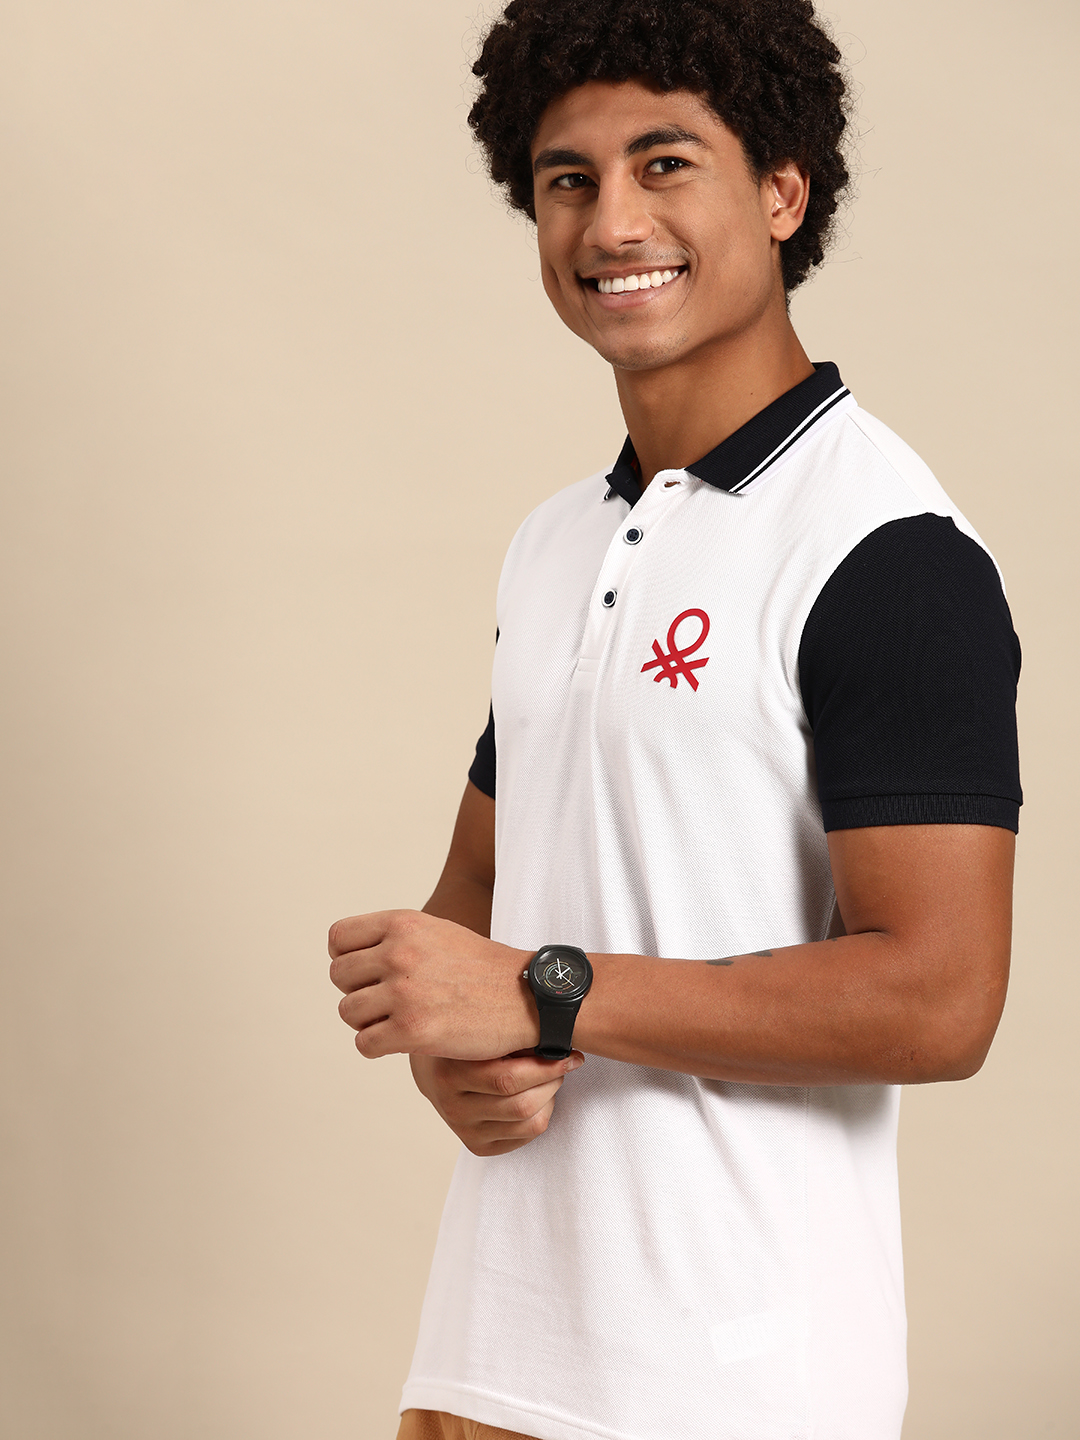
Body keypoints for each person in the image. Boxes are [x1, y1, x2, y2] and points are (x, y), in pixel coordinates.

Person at [329, 1, 1022, 1437]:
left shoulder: (886, 552)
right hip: (484, 1362)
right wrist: (455, 1045)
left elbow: (940, 999)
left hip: (731, 1383)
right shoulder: (554, 545)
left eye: (665, 164)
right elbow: (483, 901)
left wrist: (543, 991)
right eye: (567, 178)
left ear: (783, 192)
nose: (610, 223)